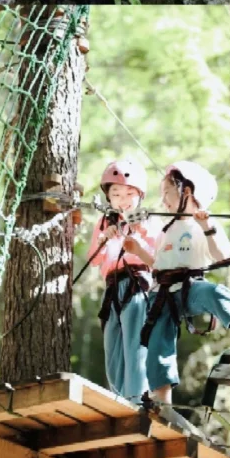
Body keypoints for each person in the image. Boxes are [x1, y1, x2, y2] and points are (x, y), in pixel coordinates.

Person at [136, 161, 230, 403]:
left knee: (215, 294)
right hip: (162, 292)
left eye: (167, 194)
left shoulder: (203, 225)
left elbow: (223, 258)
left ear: (187, 192)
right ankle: (162, 400)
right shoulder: (166, 228)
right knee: (157, 339)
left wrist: (207, 227)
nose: (163, 201)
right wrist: (138, 251)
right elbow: (158, 263)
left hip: (189, 287)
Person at [88, 159, 157, 403]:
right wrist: (103, 240)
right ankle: (119, 399)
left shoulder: (147, 220)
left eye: (129, 193)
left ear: (140, 195)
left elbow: (157, 255)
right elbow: (94, 260)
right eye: (116, 193)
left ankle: (138, 399)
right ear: (108, 197)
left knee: (135, 343)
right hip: (112, 286)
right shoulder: (105, 222)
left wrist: (138, 232)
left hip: (138, 284)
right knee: (113, 346)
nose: (123, 198)